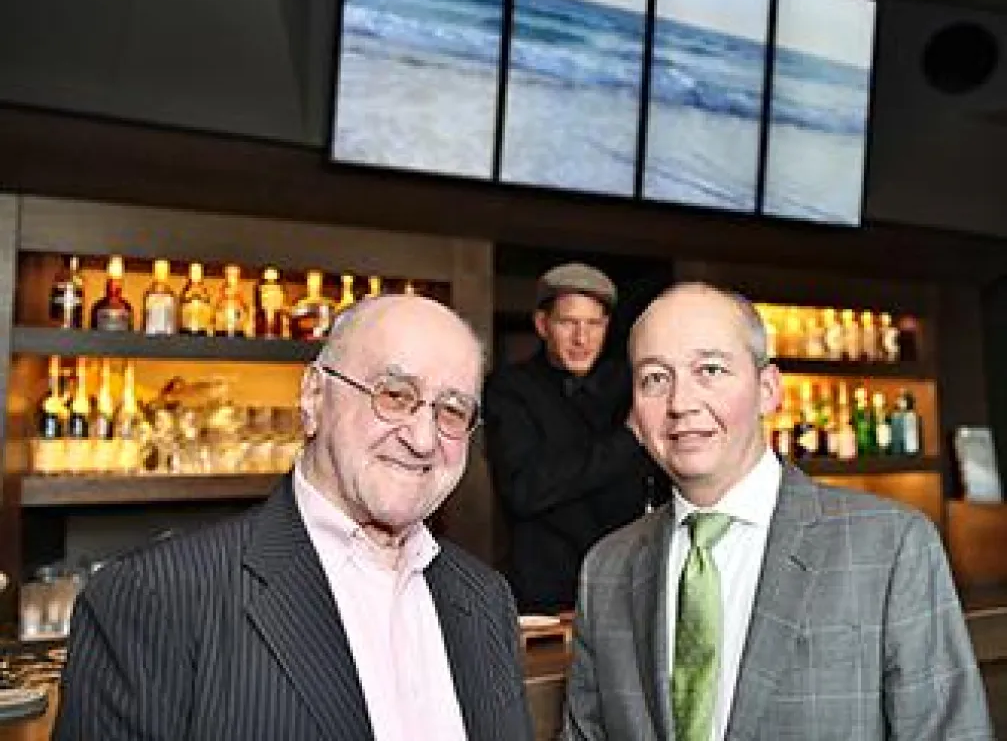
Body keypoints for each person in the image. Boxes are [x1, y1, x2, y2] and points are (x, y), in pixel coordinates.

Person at [54, 294, 534, 741]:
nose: (424, 439)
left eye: (452, 411)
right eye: (394, 395)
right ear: (313, 397)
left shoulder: (486, 599)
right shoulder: (159, 596)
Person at [563, 281, 993, 741]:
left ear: (768, 389)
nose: (681, 404)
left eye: (709, 369)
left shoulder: (891, 545)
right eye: (655, 378)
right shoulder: (606, 567)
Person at [484, 262, 661, 614]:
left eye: (594, 324)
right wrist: (626, 439)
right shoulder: (510, 389)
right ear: (542, 325)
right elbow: (524, 490)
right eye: (568, 323)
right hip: (547, 595)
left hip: (628, 588)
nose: (582, 338)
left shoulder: (630, 387)